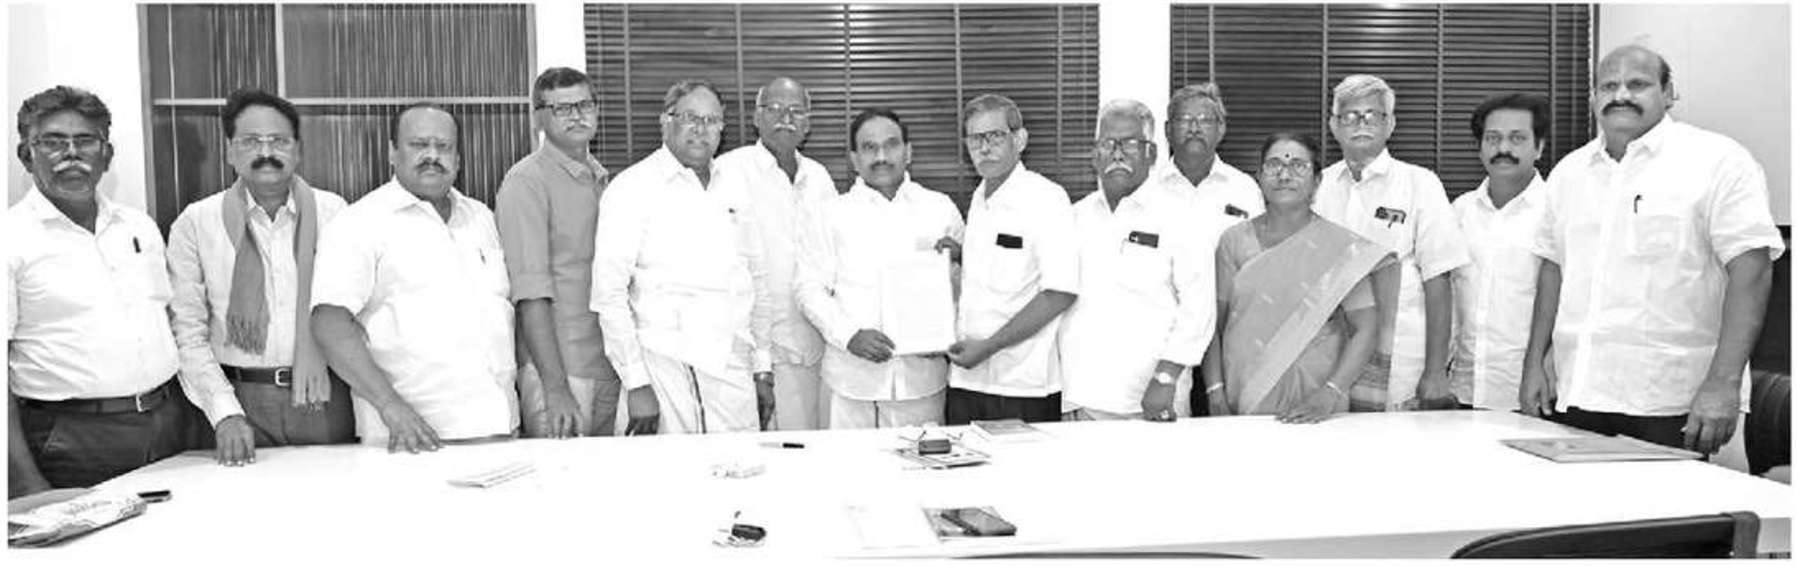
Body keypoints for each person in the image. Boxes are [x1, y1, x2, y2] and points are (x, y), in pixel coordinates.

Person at [1523, 45, 1783, 454]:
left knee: (1675, 499)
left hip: (1675, 402)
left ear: (1669, 93)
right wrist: (1533, 364)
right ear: (1593, 97)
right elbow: (1553, 271)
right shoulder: (1569, 173)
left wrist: (1723, 382)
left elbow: (1752, 271)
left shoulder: (1718, 160)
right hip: (1576, 392)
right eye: (1608, 85)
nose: (1621, 95)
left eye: (1637, 84)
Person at [7, 86, 193, 495]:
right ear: (26, 155)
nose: (71, 154)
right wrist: (23, 479)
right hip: (71, 438)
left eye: (85, 140)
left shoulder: (138, 226)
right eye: (53, 142)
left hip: (166, 423)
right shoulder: (12, 239)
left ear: (106, 155)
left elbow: (170, 320)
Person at [310, 103, 519, 453]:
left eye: (444, 146)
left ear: (458, 158)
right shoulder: (359, 223)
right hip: (410, 437)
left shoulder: (480, 217)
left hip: (498, 427)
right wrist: (390, 405)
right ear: (392, 152)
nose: (432, 156)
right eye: (419, 144)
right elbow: (328, 323)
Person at [167, 88, 354, 466]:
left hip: (322, 395)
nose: (266, 152)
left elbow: (352, 313)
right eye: (251, 141)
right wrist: (225, 412)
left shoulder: (335, 214)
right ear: (229, 151)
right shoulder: (196, 223)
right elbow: (187, 330)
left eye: (279, 141)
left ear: (298, 150)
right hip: (237, 400)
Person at [591, 79, 775, 435]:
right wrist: (636, 382)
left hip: (734, 365)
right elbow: (608, 295)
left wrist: (762, 367)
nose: (701, 129)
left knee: (742, 467)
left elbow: (756, 279)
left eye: (711, 120)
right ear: (666, 121)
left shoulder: (735, 185)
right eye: (690, 118)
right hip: (666, 367)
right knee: (675, 470)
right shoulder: (632, 188)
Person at [1201, 133, 1389, 422]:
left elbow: (1366, 328)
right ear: (1259, 176)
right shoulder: (1233, 241)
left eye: (1298, 166)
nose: (1284, 175)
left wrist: (1330, 393)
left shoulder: (1339, 247)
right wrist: (1214, 391)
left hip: (1317, 402)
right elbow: (1212, 324)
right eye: (1274, 165)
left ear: (1317, 181)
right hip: (1244, 395)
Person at [796, 108, 963, 429]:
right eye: (869, 148)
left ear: (908, 152)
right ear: (854, 159)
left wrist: (946, 334)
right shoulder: (830, 214)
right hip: (851, 383)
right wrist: (849, 336)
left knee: (923, 461)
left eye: (891, 145)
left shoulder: (940, 208)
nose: (882, 156)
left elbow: (969, 289)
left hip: (922, 381)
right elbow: (808, 289)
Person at [1313, 74, 1470, 412]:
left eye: (1373, 115)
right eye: (1350, 116)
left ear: (1391, 124)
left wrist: (1435, 371)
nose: (1361, 123)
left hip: (1402, 358)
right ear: (1333, 125)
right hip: (1329, 353)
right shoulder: (1319, 186)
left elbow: (1439, 280)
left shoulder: (1420, 184)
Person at [1059, 99, 1215, 422]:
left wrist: (1166, 378)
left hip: (1152, 399)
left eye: (1130, 143)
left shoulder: (1180, 216)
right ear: (1095, 155)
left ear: (1152, 153)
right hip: (1083, 397)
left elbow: (1198, 307)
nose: (1117, 153)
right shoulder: (1074, 217)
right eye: (1108, 144)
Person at [495, 67, 620, 438]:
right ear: (538, 118)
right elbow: (530, 293)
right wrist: (555, 387)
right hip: (562, 372)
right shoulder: (526, 182)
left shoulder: (601, 178)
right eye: (562, 109)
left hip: (607, 365)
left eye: (584, 105)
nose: (577, 116)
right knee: (560, 475)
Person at [945, 93, 1078, 425]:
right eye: (975, 139)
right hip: (967, 379)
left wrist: (988, 347)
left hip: (1022, 384)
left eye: (995, 136)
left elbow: (1059, 293)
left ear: (1020, 140)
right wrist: (958, 256)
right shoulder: (979, 198)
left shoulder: (1045, 198)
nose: (984, 148)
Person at [713, 77, 837, 430]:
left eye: (796, 111)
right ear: (756, 117)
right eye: (775, 109)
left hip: (815, 346)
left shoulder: (819, 177)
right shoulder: (729, 171)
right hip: (752, 351)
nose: (786, 119)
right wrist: (758, 361)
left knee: (813, 447)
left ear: (808, 123)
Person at [1152, 83, 1261, 417]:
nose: (1195, 127)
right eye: (1185, 119)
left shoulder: (1244, 189)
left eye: (1205, 120)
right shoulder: (1148, 189)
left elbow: (1260, 263)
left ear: (1221, 129)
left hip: (1230, 337)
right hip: (1167, 339)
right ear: (1167, 129)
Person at [1448, 93, 1552, 411]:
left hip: (1533, 392)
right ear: (1479, 147)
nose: (1503, 148)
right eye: (1492, 138)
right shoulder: (1459, 211)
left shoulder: (1557, 210)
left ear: (1539, 147)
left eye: (1517, 138)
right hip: (1461, 390)